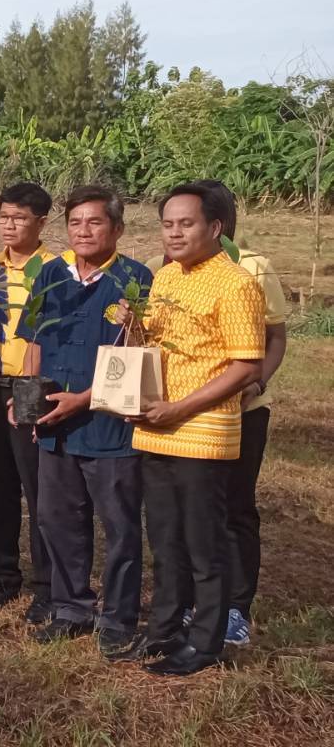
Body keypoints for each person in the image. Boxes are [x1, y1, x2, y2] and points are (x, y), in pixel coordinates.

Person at [144, 180, 287, 646]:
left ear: (215, 227)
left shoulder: (239, 282)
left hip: (203, 428)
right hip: (157, 427)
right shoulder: (164, 278)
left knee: (208, 540)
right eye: (168, 224)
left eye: (187, 224)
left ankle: (208, 638)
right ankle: (164, 630)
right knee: (166, 538)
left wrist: (180, 407)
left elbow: (247, 363)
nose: (175, 234)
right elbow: (153, 347)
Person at [22, 186, 150, 659]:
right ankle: (72, 608)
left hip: (109, 426)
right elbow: (34, 341)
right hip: (55, 424)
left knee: (119, 526)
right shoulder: (51, 274)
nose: (83, 231)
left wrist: (84, 399)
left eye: (94, 222)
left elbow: (139, 359)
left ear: (116, 228)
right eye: (75, 222)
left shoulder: (136, 281)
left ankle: (118, 618)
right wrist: (29, 399)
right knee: (58, 520)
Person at [0, 182, 54, 618]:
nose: (9, 225)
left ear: (41, 222)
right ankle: (2, 575)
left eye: (19, 218)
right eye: (3, 217)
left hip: (33, 386)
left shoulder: (55, 268)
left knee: (39, 486)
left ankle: (48, 583)